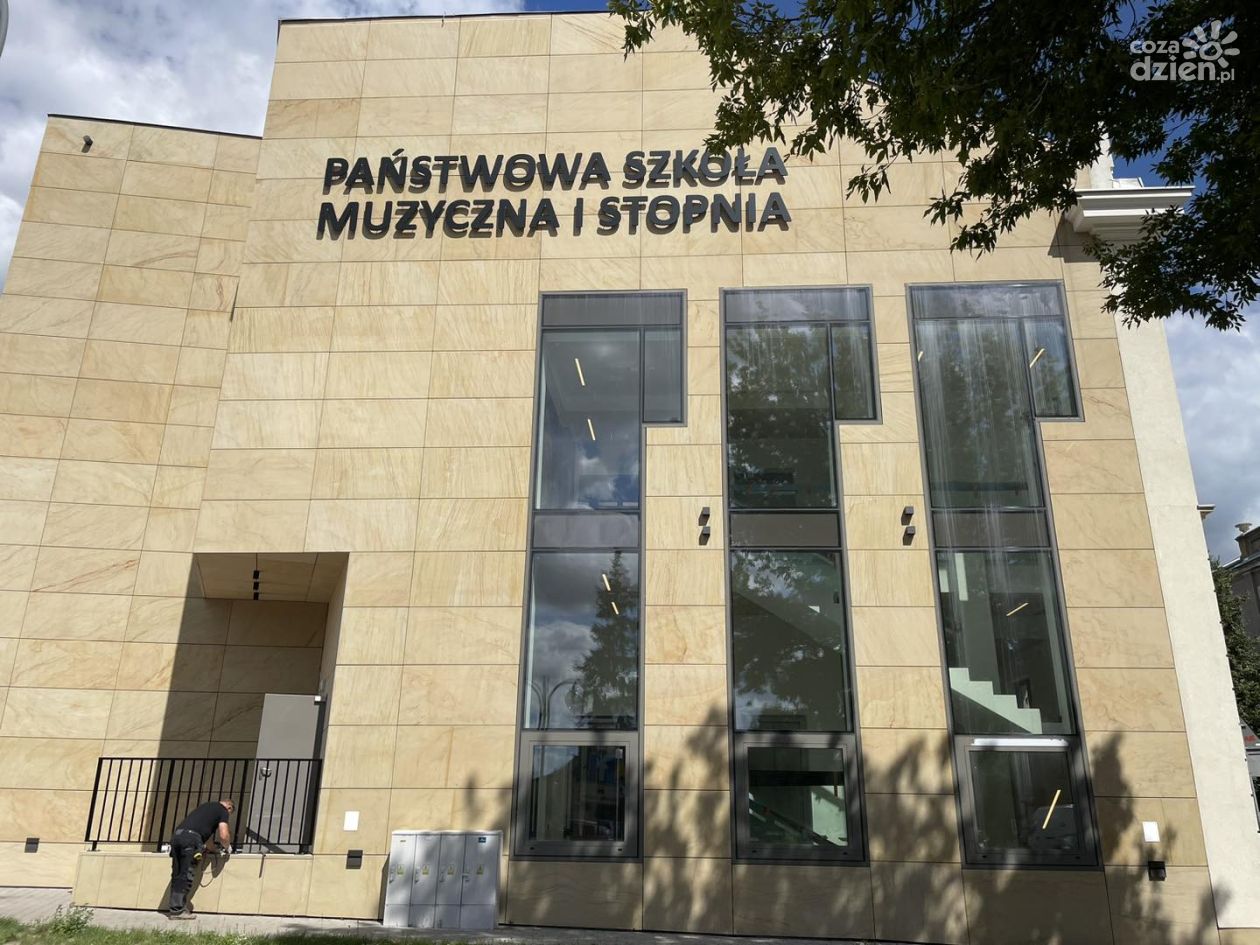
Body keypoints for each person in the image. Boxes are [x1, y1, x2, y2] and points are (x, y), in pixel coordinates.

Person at [165, 798, 234, 919]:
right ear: (229, 807)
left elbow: (207, 839)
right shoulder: (223, 810)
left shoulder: (206, 807)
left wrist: (214, 850)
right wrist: (227, 847)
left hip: (177, 837)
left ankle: (175, 908)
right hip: (191, 841)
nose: (227, 815)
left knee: (177, 874)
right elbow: (224, 835)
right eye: (230, 812)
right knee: (186, 874)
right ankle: (178, 911)